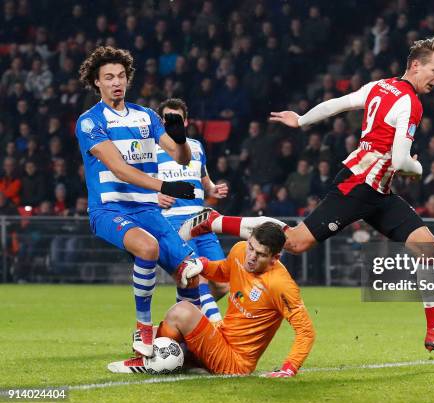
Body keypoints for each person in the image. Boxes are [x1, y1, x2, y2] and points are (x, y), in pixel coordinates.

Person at [180, 38, 434, 354]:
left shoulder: (382, 86)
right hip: (358, 187)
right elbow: (402, 160)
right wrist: (417, 167)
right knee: (295, 242)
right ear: (415, 65)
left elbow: (339, 103)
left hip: (378, 191)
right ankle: (215, 221)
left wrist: (302, 119)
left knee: (428, 247)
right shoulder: (410, 103)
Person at [75, 46, 222, 357]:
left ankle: (189, 343)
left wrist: (179, 137)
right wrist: (164, 185)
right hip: (109, 210)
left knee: (190, 273)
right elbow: (119, 168)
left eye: (121, 76)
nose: (117, 82)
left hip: (148, 211)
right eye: (109, 77)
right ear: (97, 83)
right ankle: (143, 326)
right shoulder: (89, 122)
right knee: (147, 247)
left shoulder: (146, 116)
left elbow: (181, 158)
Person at [108, 223, 315, 377]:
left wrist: (288, 369)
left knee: (183, 311)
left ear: (275, 258)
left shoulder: (281, 285)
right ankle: (182, 360)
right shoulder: (240, 250)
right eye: (251, 247)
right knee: (145, 335)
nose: (251, 256)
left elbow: (306, 332)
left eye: (260, 254)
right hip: (222, 336)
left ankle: (152, 362)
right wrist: (203, 265)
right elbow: (224, 271)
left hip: (236, 363)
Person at [155, 98, 230, 311]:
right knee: (198, 279)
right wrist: (154, 197)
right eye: (167, 119)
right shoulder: (151, 149)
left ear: (185, 123)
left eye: (176, 119)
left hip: (202, 220)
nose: (171, 123)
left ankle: (182, 318)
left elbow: (203, 178)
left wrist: (213, 188)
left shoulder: (196, 147)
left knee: (223, 284)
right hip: (173, 222)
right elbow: (135, 183)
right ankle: (215, 329)